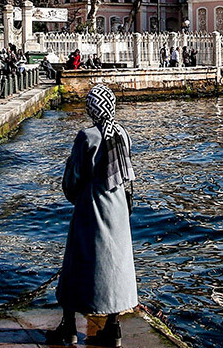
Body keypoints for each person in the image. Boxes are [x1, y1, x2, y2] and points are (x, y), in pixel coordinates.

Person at [47, 85, 139, 346]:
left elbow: (73, 178)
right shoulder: (122, 133)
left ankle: (69, 327)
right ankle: (113, 327)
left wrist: (76, 196)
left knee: (78, 261)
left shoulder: (87, 136)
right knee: (115, 263)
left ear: (91, 109)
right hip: (118, 206)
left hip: (93, 205)